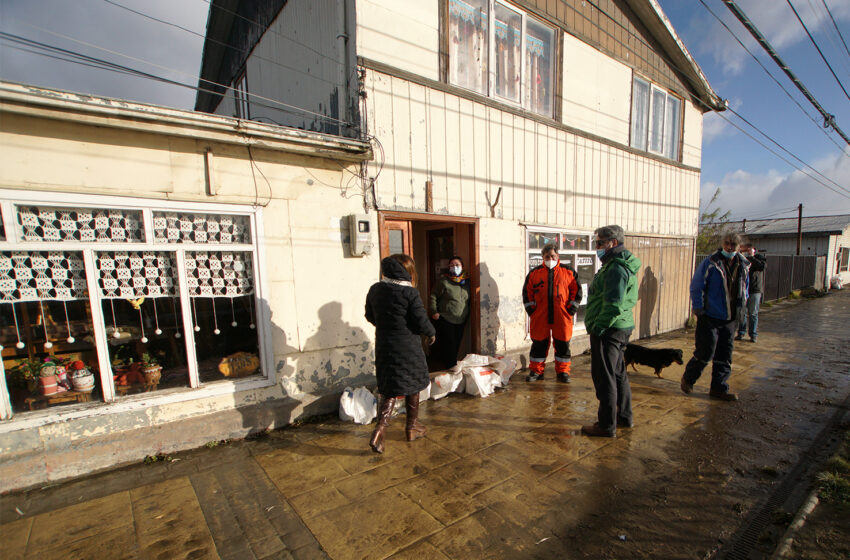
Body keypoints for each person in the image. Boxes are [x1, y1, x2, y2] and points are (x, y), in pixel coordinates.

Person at [365, 254, 436, 454]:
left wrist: (388, 327)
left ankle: (380, 429)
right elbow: (421, 321)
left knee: (389, 389)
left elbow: (370, 315)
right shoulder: (409, 293)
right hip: (408, 348)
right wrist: (431, 333)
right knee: (413, 386)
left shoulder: (376, 289)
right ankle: (411, 427)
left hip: (384, 347)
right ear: (407, 271)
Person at [581, 225, 641, 438]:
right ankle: (624, 417)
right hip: (618, 327)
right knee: (618, 374)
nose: (596, 247)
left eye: (599, 243)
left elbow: (613, 304)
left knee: (605, 377)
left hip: (609, 329)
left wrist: (598, 327)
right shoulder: (615, 265)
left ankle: (606, 426)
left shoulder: (616, 268)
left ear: (612, 243)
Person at [681, 231, 750, 402]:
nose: (729, 247)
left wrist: (742, 312)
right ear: (722, 243)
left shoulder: (744, 264)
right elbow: (697, 286)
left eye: (733, 245)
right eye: (726, 243)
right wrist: (698, 309)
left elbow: (745, 289)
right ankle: (689, 379)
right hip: (710, 316)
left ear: (738, 246)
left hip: (730, 318)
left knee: (725, 354)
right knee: (706, 351)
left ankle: (719, 388)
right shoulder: (711, 263)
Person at [522, 243, 582, 383]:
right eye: (547, 256)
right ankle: (536, 371)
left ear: (558, 256)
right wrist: (532, 310)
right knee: (538, 345)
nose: (550, 258)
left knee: (562, 345)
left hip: (562, 316)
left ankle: (563, 372)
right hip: (540, 317)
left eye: (553, 256)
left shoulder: (569, 272)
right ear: (543, 257)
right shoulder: (534, 273)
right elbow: (527, 293)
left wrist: (570, 310)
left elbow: (577, 292)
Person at [429, 255, 470, 369]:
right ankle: (450, 367)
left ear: (462, 266)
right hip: (446, 318)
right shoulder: (444, 281)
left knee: (456, 343)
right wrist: (434, 311)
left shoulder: (466, 282)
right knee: (449, 344)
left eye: (457, 265)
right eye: (451, 265)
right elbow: (433, 296)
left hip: (461, 319)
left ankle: (452, 366)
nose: (454, 267)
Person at [735, 242, 765, 343]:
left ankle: (753, 334)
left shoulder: (758, 258)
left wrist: (752, 256)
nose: (746, 251)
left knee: (752, 313)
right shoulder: (741, 259)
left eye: (748, 249)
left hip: (755, 290)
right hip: (743, 289)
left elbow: (762, 267)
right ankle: (741, 332)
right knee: (742, 312)